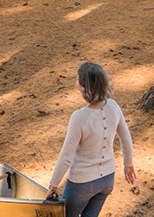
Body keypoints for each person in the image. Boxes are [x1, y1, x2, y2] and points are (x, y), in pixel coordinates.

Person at [46, 62, 136, 217]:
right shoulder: (114, 106)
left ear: (83, 87)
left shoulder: (79, 117)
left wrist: (53, 185)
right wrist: (128, 164)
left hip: (81, 184)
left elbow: (66, 156)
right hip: (107, 180)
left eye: (77, 80)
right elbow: (126, 138)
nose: (76, 82)